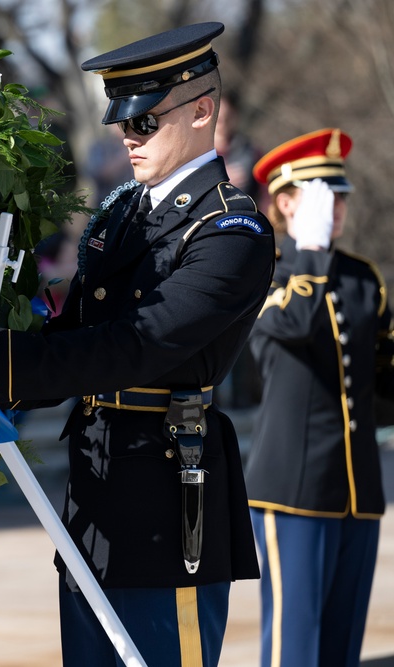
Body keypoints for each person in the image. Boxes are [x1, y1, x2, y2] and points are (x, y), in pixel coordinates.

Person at [0, 23, 276, 666]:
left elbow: (134, 347)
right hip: (93, 503)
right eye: (124, 125)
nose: (128, 139)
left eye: (145, 123)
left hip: (169, 499)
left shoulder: (231, 230)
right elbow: (72, 335)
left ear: (202, 111)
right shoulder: (122, 216)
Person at [245, 128, 393, 667]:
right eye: (323, 198)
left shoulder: (360, 278)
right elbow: (296, 324)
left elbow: (382, 379)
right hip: (294, 491)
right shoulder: (263, 273)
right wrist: (309, 254)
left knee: (342, 645)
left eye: (341, 198)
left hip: (359, 489)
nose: (337, 208)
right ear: (285, 202)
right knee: (294, 645)